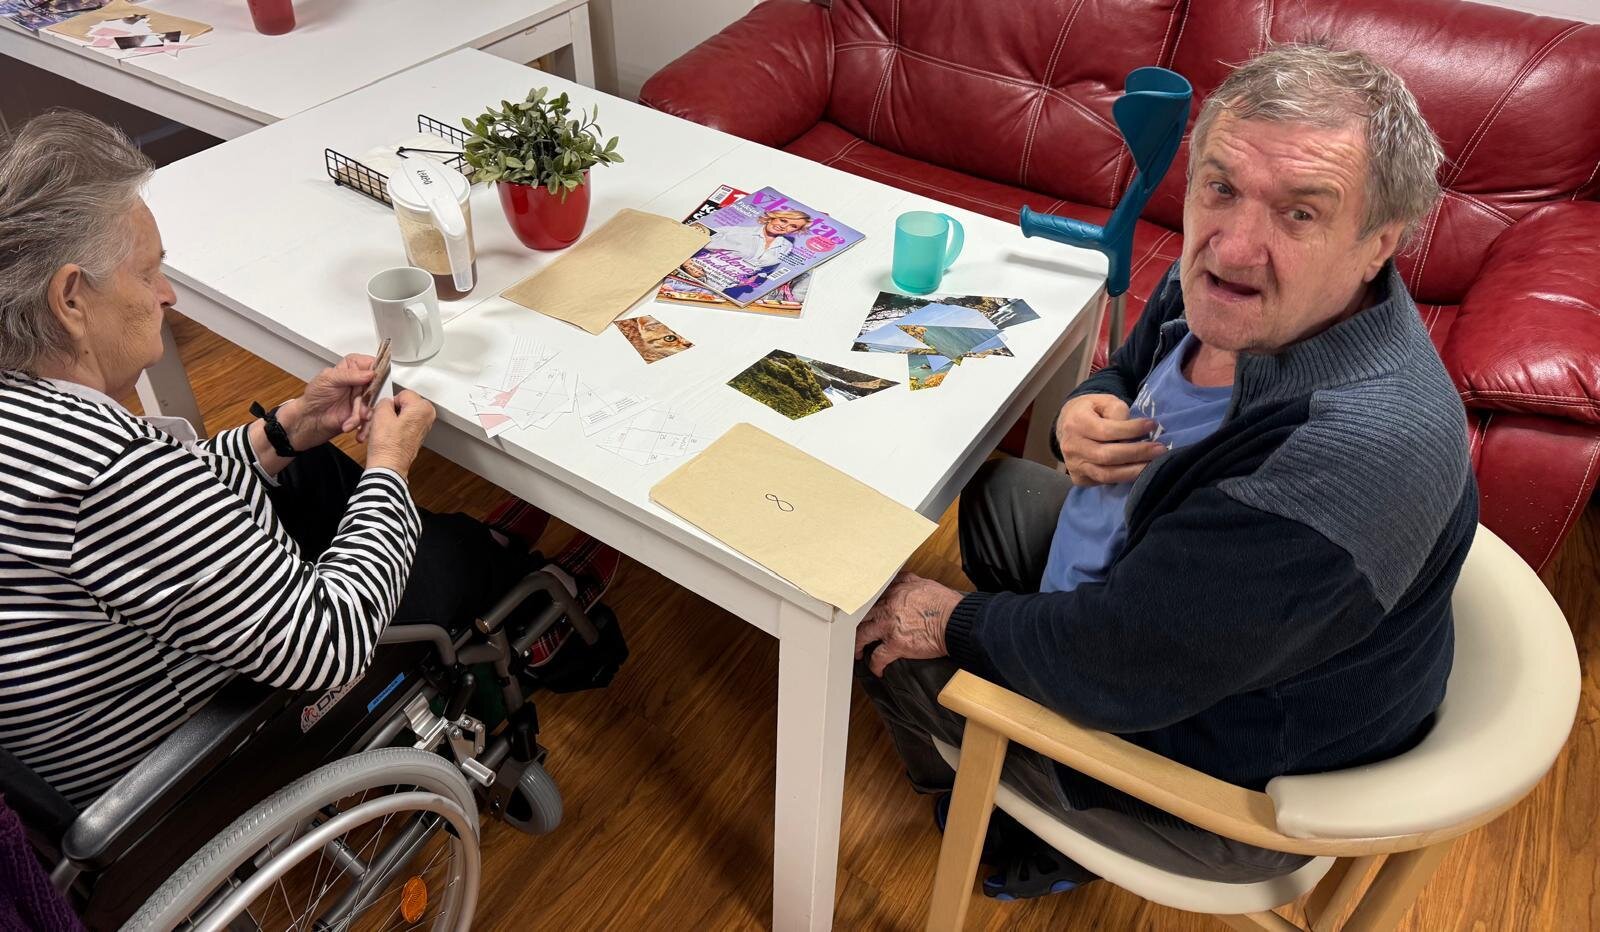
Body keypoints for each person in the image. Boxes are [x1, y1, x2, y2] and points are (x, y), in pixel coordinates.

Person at [854, 43, 1476, 898]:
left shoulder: (1342, 459)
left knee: (897, 652)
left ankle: (1018, 833)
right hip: (1181, 603)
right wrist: (1089, 404)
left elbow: (1120, 666)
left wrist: (953, 622)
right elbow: (1131, 367)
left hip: (1226, 770)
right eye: (1220, 187)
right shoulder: (1227, 292)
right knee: (994, 496)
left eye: (1301, 212)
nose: (1235, 245)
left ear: (1379, 244)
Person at [0, 111, 610, 808]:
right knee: (452, 553)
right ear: (71, 299)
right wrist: (389, 466)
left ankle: (465, 546)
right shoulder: (107, 472)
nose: (167, 295)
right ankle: (540, 606)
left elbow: (170, 510)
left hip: (116, 682)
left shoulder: (31, 417)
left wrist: (285, 432)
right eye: (148, 273)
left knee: (310, 468)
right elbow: (331, 644)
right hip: (188, 750)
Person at [681, 207, 811, 300]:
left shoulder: (787, 245)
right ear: (772, 217)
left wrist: (757, 278)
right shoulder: (735, 232)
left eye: (793, 226)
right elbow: (688, 239)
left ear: (796, 231)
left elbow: (767, 270)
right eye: (783, 220)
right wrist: (686, 264)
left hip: (723, 292)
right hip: (689, 279)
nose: (784, 226)